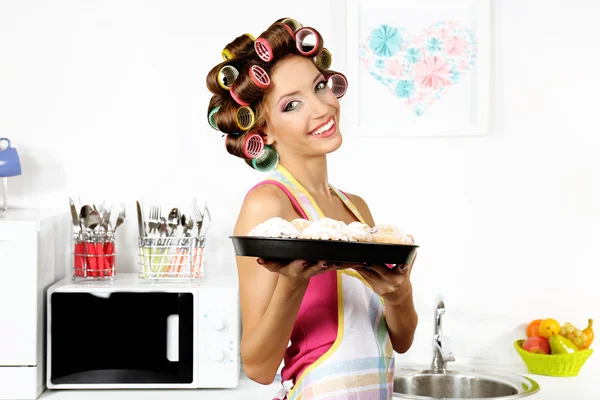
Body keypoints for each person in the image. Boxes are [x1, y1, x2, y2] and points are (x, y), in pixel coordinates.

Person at [205, 17, 418, 399]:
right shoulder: (267, 204)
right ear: (263, 130)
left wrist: (399, 295)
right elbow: (258, 366)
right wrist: (293, 280)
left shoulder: (356, 210)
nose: (321, 107)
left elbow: (400, 342)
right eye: (292, 104)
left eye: (320, 87)